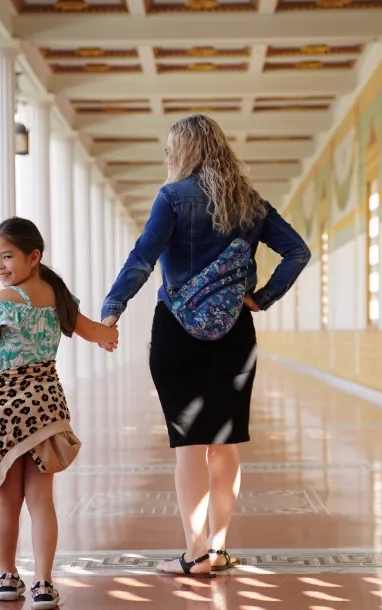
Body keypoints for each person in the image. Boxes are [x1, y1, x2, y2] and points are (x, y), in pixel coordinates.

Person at [99, 114, 311, 576]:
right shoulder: (251, 204)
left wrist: (113, 307)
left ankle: (193, 554)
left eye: (170, 149)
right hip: (234, 331)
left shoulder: (172, 197)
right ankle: (216, 550)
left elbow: (143, 258)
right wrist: (263, 297)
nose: (167, 158)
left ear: (184, 151)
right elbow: (299, 251)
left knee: (189, 445)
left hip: (176, 331)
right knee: (226, 443)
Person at [0, 217, 119, 609]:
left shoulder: (2, 302)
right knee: (41, 499)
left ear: (33, 257)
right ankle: (44, 584)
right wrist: (111, 328)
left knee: (6, 499)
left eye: (7, 257)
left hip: (5, 409)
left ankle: (7, 576)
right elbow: (96, 332)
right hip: (46, 407)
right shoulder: (57, 296)